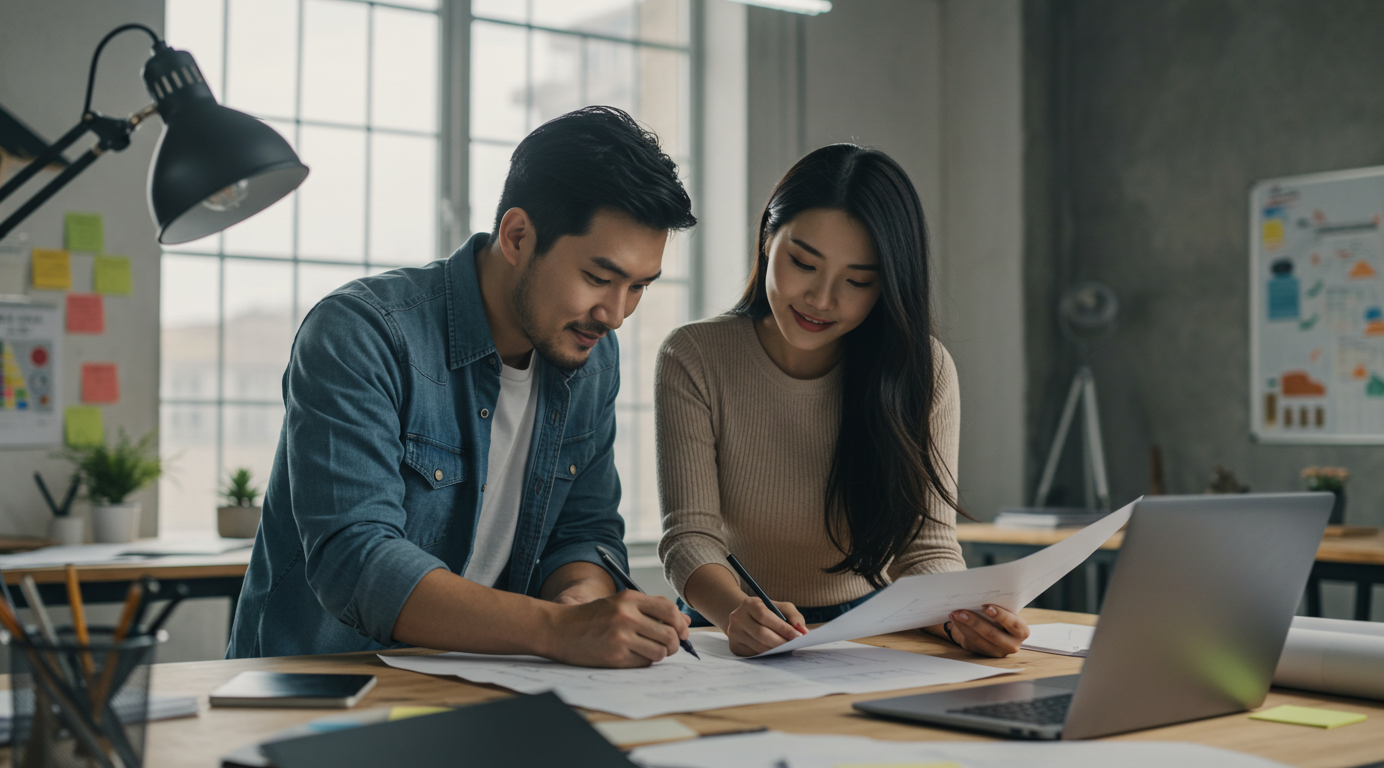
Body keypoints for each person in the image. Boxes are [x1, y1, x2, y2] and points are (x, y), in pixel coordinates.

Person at [228, 106, 697, 668]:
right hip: (319, 694)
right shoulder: (361, 333)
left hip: (483, 686)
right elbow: (356, 561)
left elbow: (584, 532)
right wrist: (558, 629)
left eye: (639, 286)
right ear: (518, 235)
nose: (616, 314)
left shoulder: (592, 357)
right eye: (598, 278)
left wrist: (580, 602)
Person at [655, 144, 1028, 658]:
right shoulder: (694, 355)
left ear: (888, 286)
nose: (821, 299)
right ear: (767, 238)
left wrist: (960, 619)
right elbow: (689, 536)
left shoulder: (923, 368)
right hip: (730, 618)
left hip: (876, 627)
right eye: (803, 263)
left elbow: (928, 547)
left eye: (857, 281)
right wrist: (734, 610)